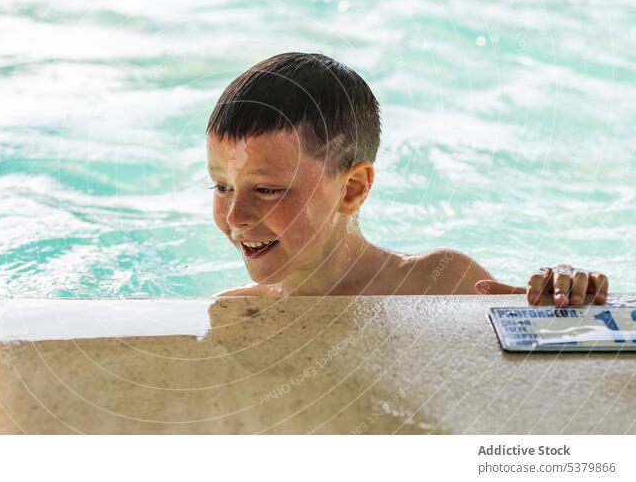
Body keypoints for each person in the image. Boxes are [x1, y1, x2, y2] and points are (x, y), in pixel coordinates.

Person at [207, 52, 608, 306]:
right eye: (222, 186)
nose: (236, 215)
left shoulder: (439, 282)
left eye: (267, 190)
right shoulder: (237, 310)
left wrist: (565, 291)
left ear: (351, 190)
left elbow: (537, 325)